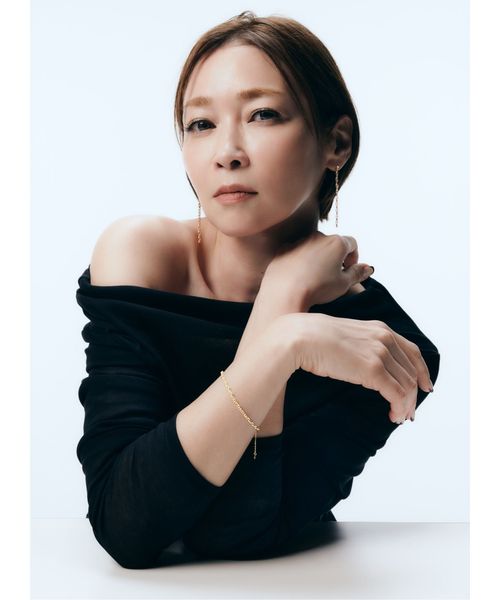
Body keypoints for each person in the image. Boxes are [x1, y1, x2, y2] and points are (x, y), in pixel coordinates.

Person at [75, 11, 440, 569]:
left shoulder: (382, 343)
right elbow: (124, 524)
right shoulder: (141, 258)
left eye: (262, 114)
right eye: (201, 124)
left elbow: (234, 536)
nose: (227, 152)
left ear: (336, 142)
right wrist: (283, 333)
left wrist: (283, 307)